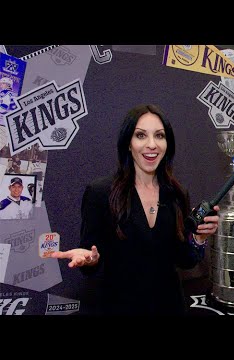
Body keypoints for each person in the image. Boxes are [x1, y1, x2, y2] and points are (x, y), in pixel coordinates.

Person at [49, 104, 220, 315]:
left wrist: (199, 238)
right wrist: (90, 259)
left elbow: (184, 260)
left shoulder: (177, 193)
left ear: (167, 143)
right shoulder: (100, 192)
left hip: (170, 307)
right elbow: (88, 264)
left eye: (159, 136)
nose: (151, 144)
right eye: (140, 135)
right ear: (128, 143)